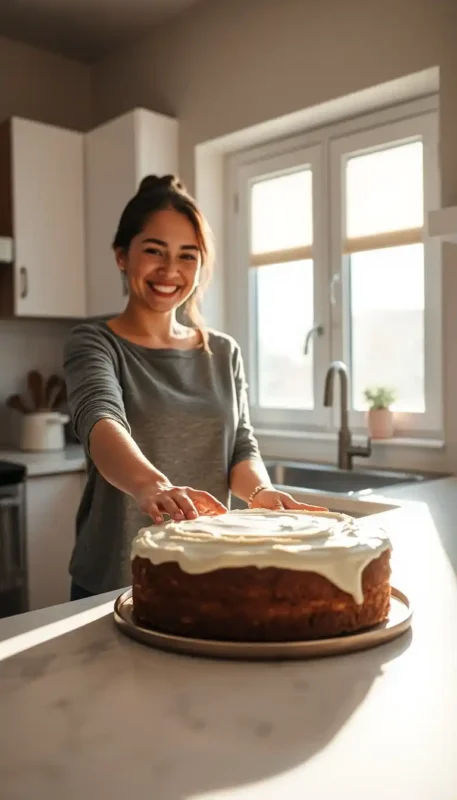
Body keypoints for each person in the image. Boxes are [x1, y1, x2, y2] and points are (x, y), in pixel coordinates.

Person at [64, 174, 323, 601]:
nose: (170, 270)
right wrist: (153, 486)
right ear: (121, 256)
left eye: (188, 256)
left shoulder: (223, 352)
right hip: (114, 579)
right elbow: (100, 418)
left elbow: (240, 446)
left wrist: (260, 493)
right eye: (154, 251)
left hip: (207, 571)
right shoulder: (94, 342)